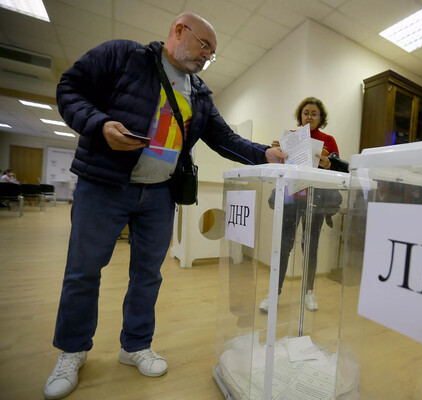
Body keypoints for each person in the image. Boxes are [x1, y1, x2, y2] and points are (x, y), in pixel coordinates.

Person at [43, 12, 286, 400]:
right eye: (204, 45)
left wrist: (265, 153)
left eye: (212, 52)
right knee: (83, 271)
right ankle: (72, 351)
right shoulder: (124, 55)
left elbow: (225, 139)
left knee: (147, 274)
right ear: (179, 30)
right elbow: (70, 87)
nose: (207, 56)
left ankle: (135, 345)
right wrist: (100, 124)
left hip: (159, 194)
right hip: (104, 184)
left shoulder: (200, 93)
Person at [259, 97, 341, 313]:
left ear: (320, 117)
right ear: (300, 116)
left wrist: (328, 164)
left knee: (310, 247)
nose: (309, 117)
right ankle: (274, 292)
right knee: (284, 246)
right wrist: (277, 152)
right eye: (306, 113)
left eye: (314, 113)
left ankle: (309, 291)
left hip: (316, 200)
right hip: (292, 197)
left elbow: (338, 172)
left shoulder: (329, 140)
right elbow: (283, 166)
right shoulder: (291, 138)